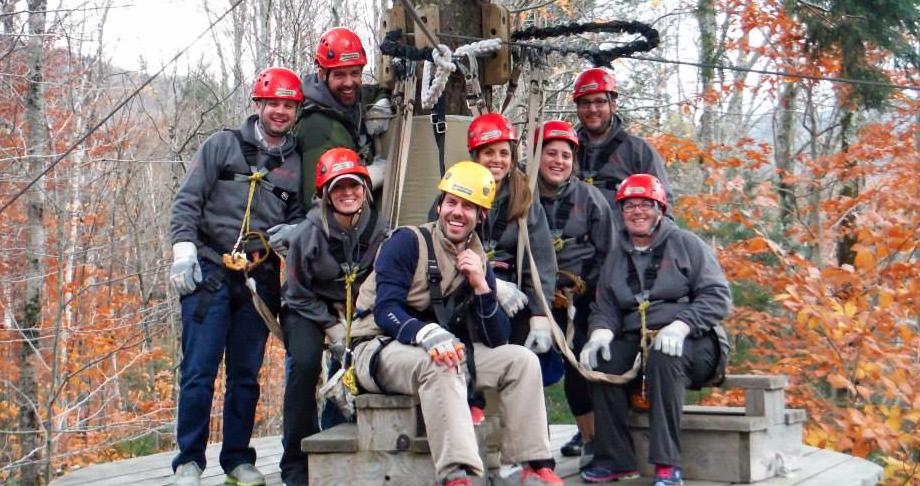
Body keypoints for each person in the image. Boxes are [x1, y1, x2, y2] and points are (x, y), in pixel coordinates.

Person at [349, 162, 564, 486]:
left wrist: (482, 287)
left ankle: (526, 464)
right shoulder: (407, 242)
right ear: (439, 206)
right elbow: (385, 310)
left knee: (521, 361)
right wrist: (427, 333)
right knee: (442, 363)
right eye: (451, 202)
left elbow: (496, 340)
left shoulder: (477, 258)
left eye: (467, 206)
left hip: (441, 349)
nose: (457, 212)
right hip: (378, 349)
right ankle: (457, 474)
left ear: (480, 216)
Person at [168, 67, 306, 486]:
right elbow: (187, 200)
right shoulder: (221, 146)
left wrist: (296, 230)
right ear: (258, 105)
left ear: (296, 110)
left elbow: (301, 215)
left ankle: (237, 459)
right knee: (199, 370)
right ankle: (189, 461)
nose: (280, 111)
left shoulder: (297, 163)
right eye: (274, 103)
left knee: (245, 375)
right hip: (210, 268)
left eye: (288, 105)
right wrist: (183, 249)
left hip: (258, 276)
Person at [578, 174, 731, 485]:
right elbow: (605, 307)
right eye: (630, 205)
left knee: (664, 356)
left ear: (660, 209)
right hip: (639, 342)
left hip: (695, 343)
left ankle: (667, 463)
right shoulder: (615, 256)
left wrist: (681, 325)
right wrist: (601, 333)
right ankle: (615, 459)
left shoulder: (687, 245)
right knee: (603, 363)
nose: (638, 212)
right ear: (621, 212)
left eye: (646, 205)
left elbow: (718, 297)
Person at [278, 148, 389, 486]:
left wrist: (356, 323)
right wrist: (331, 325)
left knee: (369, 364)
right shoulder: (307, 235)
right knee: (305, 364)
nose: (347, 193)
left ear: (365, 189)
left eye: (353, 185)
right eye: (338, 187)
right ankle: (296, 461)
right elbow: (295, 291)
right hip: (307, 308)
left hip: (360, 310)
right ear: (325, 194)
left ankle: (344, 441)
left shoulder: (381, 230)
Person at [431, 113, 557, 359]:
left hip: (513, 291)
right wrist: (491, 285)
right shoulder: (454, 193)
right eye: (489, 153)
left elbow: (541, 258)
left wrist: (540, 315)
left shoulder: (523, 197)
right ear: (476, 156)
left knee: (525, 356)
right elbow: (438, 248)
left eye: (503, 153)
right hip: (461, 288)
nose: (497, 160)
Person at [534, 120, 614, 463]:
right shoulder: (523, 194)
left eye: (565, 155)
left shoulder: (590, 198)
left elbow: (609, 253)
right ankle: (531, 443)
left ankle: (589, 436)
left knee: (581, 357)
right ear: (537, 156)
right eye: (550, 153)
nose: (558, 161)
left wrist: (594, 299)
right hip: (535, 293)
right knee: (527, 364)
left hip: (582, 293)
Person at [292, 26, 389, 208]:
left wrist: (381, 103)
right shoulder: (317, 126)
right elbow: (317, 201)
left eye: (355, 73)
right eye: (339, 75)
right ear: (322, 74)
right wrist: (368, 177)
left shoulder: (352, 98)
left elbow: (374, 91)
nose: (348, 83)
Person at [572, 67, 673, 213]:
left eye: (599, 102)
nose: (592, 109)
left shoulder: (638, 150)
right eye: (585, 103)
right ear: (578, 108)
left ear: (613, 106)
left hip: (623, 234)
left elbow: (664, 204)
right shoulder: (567, 151)